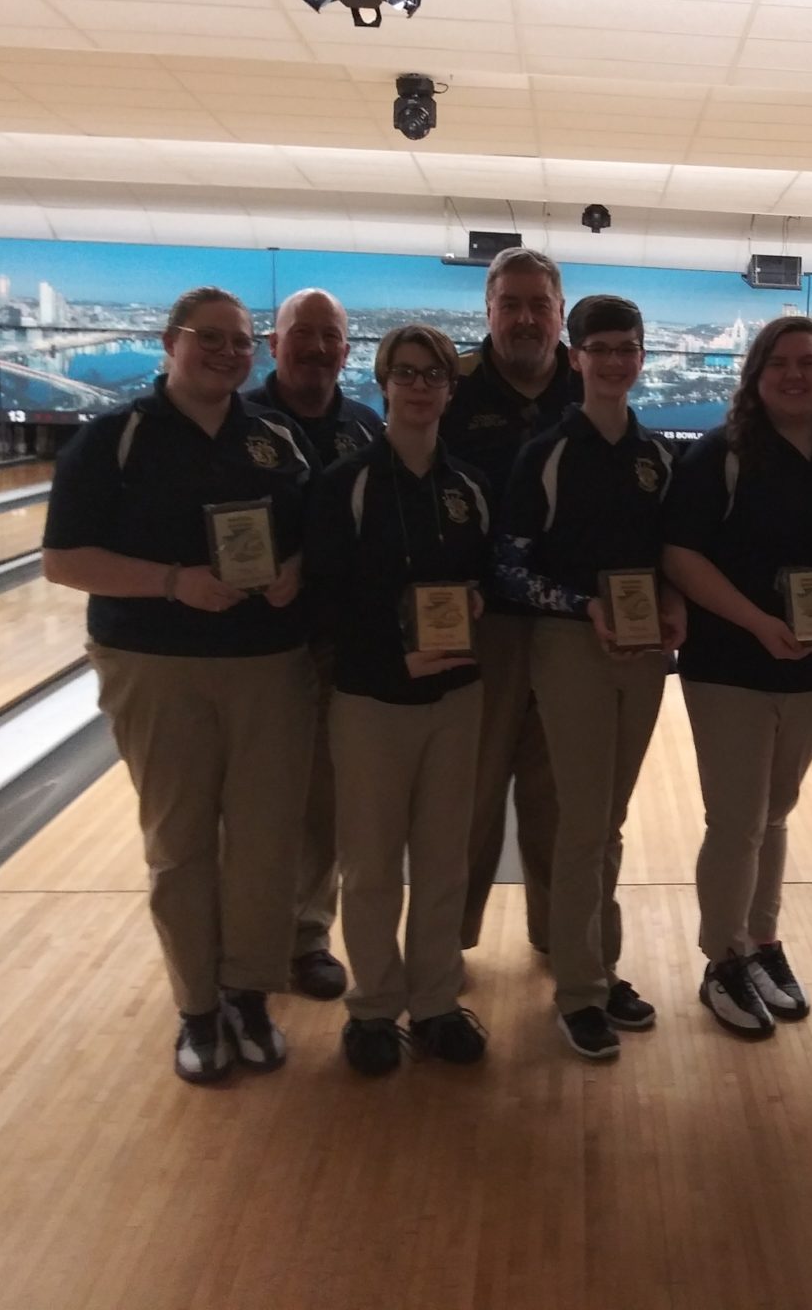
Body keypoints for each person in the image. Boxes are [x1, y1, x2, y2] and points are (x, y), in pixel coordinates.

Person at [41, 286, 315, 1084]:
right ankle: (197, 1008)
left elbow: (308, 536)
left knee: (267, 843)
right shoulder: (112, 441)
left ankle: (249, 994)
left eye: (241, 343)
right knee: (181, 842)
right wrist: (172, 582)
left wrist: (296, 570)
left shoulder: (275, 437)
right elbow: (63, 562)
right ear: (171, 342)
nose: (229, 353)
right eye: (211, 339)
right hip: (154, 664)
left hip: (268, 663)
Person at [661, 316, 812, 1039]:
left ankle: (762, 942)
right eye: (779, 362)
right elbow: (682, 557)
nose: (795, 374)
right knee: (736, 820)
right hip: (729, 665)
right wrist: (756, 621)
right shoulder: (720, 454)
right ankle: (723, 958)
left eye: (808, 362)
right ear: (755, 375)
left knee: (775, 813)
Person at [497, 293, 685, 1060]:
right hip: (570, 647)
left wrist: (669, 605)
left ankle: (600, 967)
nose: (613, 361)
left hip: (640, 656)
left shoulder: (656, 457)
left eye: (627, 348)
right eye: (599, 348)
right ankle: (578, 988)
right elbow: (508, 568)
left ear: (642, 357)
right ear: (574, 359)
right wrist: (585, 607)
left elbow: (671, 559)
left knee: (607, 820)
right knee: (582, 821)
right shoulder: (545, 454)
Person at [305, 325, 493, 1076]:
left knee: (445, 860)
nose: (419, 386)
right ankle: (375, 1008)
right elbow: (323, 600)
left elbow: (486, 579)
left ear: (450, 388)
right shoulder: (344, 485)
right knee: (373, 864)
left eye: (434, 375)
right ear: (384, 383)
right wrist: (393, 651)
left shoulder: (469, 486)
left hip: (455, 698)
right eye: (406, 373)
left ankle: (438, 1002)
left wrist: (473, 601)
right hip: (371, 700)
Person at [442, 247, 582, 960]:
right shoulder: (452, 390)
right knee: (469, 796)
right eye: (511, 305)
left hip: (568, 631)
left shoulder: (589, 388)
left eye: (540, 305)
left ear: (559, 313)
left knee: (556, 799)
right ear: (488, 311)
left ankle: (559, 941)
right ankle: (450, 943)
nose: (526, 318)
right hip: (480, 629)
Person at [244, 287, 383, 1003]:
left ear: (347, 350)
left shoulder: (365, 426)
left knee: (323, 802)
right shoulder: (239, 422)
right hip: (252, 649)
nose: (319, 348)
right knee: (256, 801)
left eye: (332, 336)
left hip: (335, 645)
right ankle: (244, 944)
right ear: (274, 343)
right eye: (304, 333)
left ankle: (305, 935)